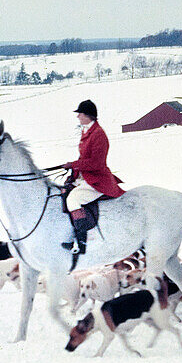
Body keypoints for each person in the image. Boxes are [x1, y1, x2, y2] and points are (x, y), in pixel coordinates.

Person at [60, 100, 124, 254]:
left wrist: (74, 164)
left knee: (73, 199)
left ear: (87, 115)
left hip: (97, 179)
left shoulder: (98, 134)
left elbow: (96, 163)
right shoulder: (87, 131)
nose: (78, 117)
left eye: (80, 114)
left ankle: (81, 242)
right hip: (85, 177)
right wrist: (73, 169)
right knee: (63, 192)